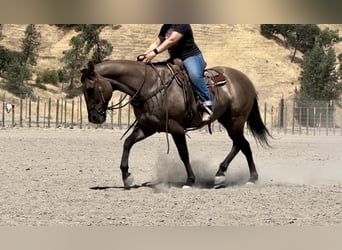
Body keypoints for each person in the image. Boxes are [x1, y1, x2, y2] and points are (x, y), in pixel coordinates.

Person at [143, 24, 213, 123]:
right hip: (175, 58)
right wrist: (144, 55)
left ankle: (207, 104)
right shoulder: (165, 26)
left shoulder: (182, 24)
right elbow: (156, 43)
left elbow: (172, 40)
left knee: (195, 76)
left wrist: (155, 52)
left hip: (190, 56)